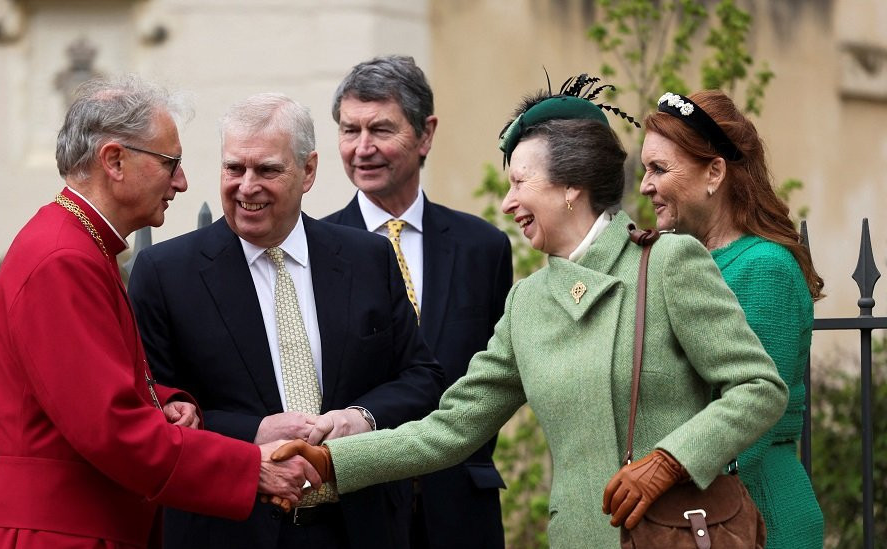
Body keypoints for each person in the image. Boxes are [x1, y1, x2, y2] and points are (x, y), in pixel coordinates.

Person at [270, 75, 790, 548]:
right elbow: (450, 428)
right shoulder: (528, 304)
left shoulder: (669, 263)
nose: (506, 203)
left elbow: (758, 388)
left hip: (676, 534)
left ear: (570, 188)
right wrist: (334, 461)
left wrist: (671, 461)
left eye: (520, 183)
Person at [0, 76, 320, 549]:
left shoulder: (78, 245)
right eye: (170, 163)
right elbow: (109, 428)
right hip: (62, 531)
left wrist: (166, 402)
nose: (181, 182)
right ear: (114, 161)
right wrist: (250, 469)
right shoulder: (63, 259)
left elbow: (88, 387)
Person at [127, 92, 444, 549]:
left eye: (268, 170)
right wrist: (253, 432)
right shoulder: (165, 274)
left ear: (309, 171)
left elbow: (421, 377)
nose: (247, 186)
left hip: (359, 528)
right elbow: (153, 411)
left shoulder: (367, 259)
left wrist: (362, 417)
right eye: (234, 168)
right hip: (230, 532)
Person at [323, 55, 513, 549]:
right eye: (350, 130)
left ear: (425, 134)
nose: (362, 148)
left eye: (381, 129)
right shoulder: (313, 250)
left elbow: (495, 378)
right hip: (354, 508)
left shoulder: (483, 248)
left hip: (460, 511)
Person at [640, 89, 825, 548]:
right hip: (701, 511)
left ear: (714, 172)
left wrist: (664, 473)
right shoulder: (682, 261)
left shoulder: (765, 268)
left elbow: (752, 421)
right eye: (646, 169)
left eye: (659, 169)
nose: (644, 185)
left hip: (758, 515)